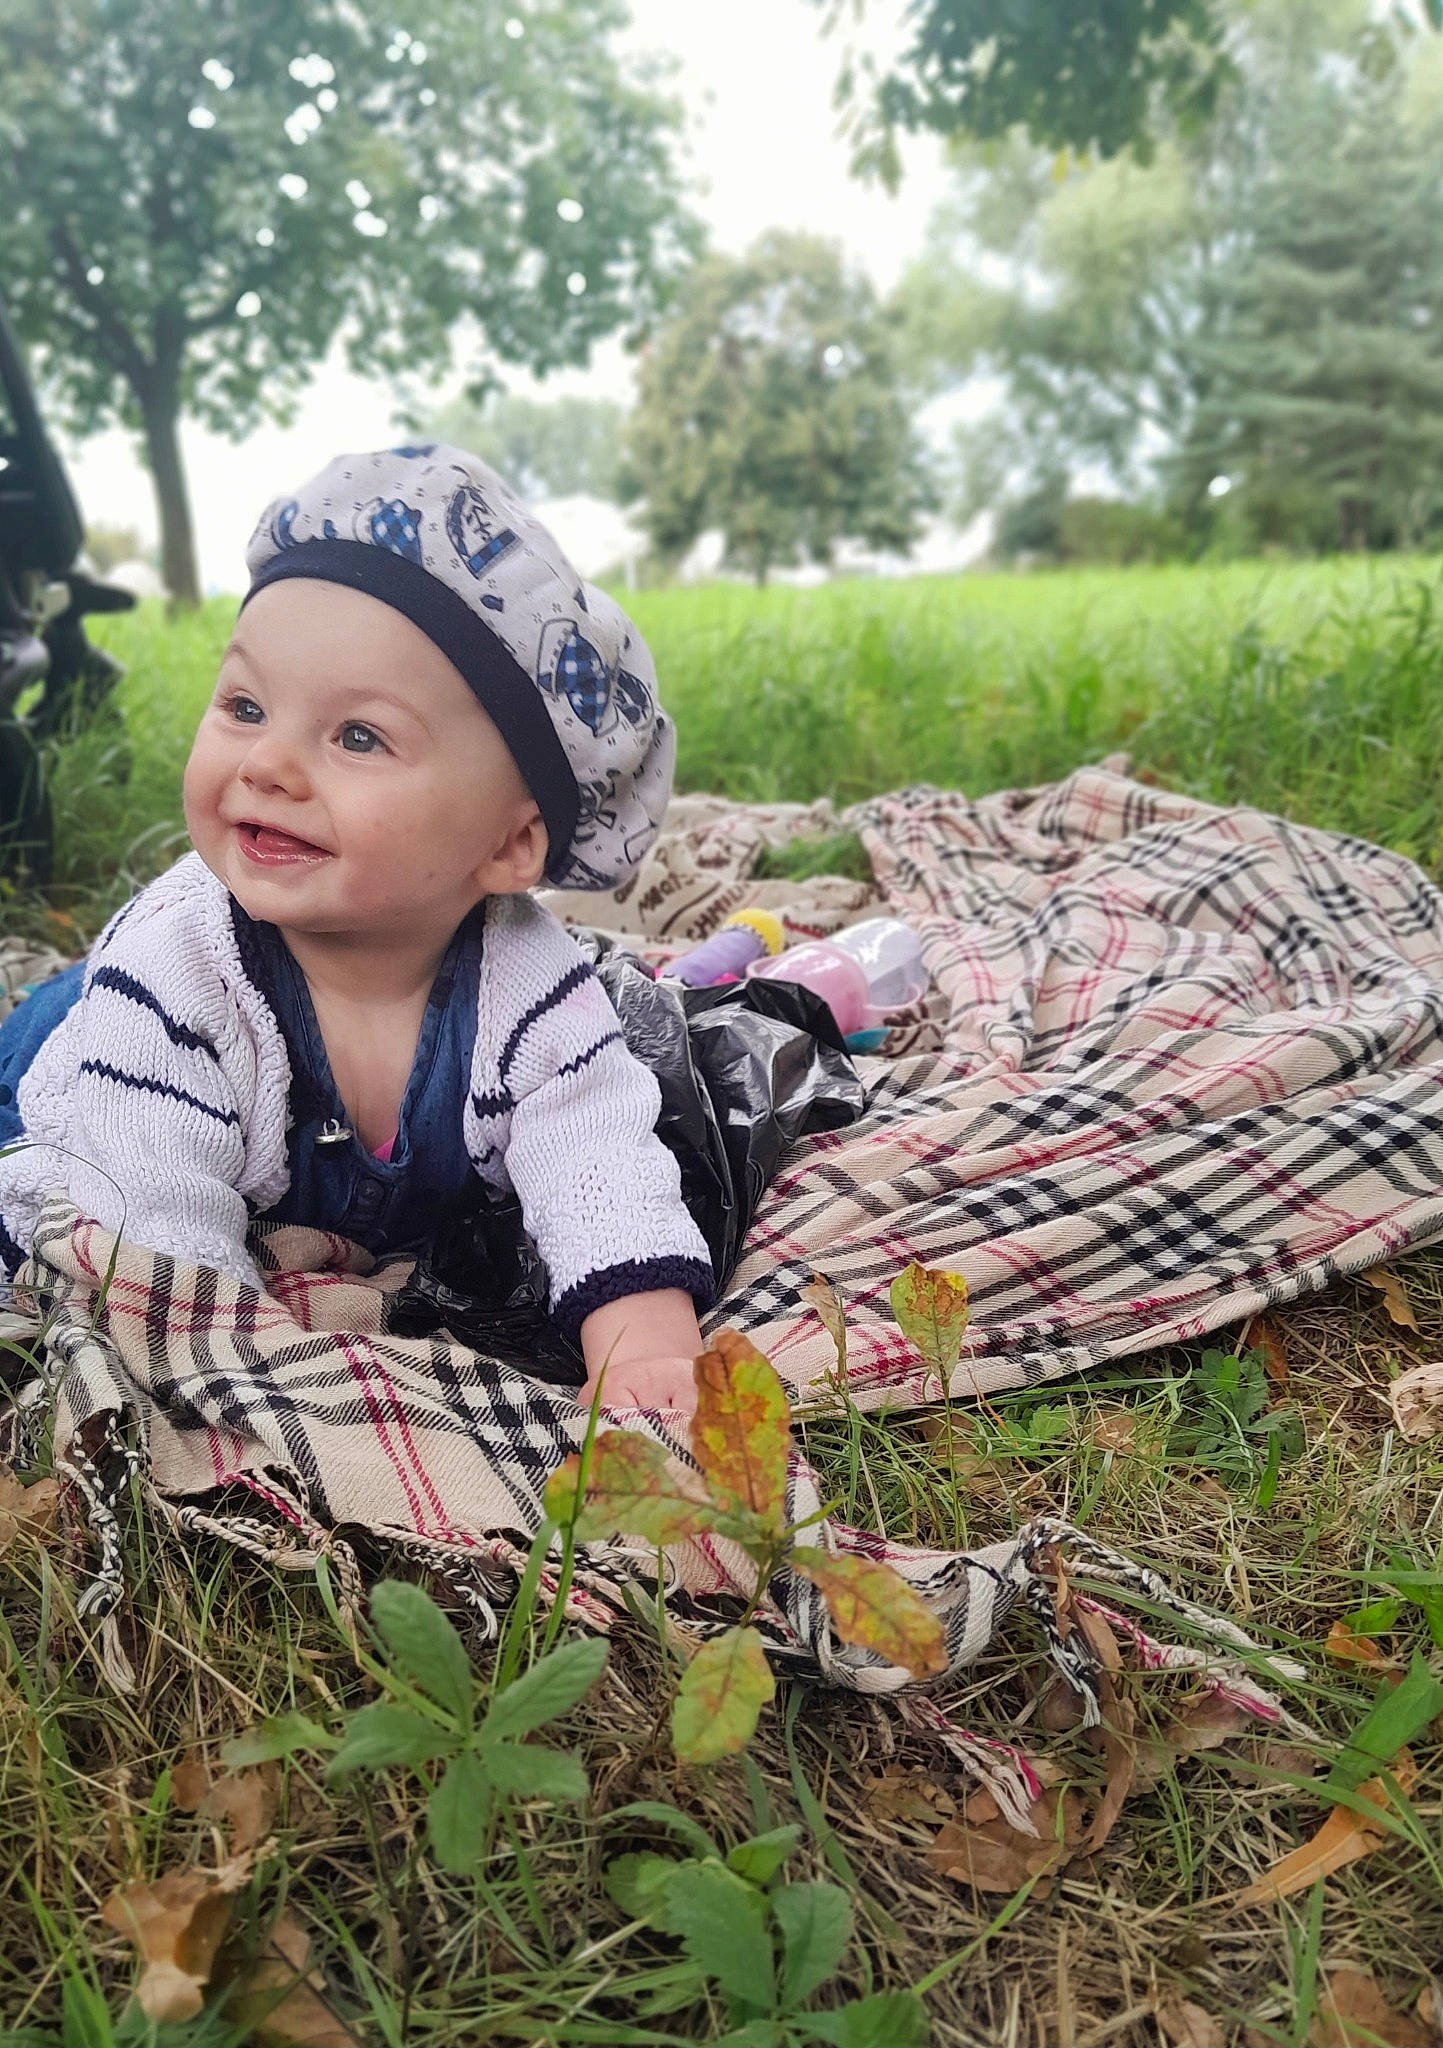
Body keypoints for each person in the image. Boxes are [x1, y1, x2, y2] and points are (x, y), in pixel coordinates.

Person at [0, 446, 714, 1411]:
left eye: (358, 737)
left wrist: (641, 1353)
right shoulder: (177, 964)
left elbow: (601, 1164)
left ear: (510, 846)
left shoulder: (530, 984)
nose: (268, 765)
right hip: (86, 1078)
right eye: (246, 707)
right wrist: (238, 1382)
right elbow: (154, 1228)